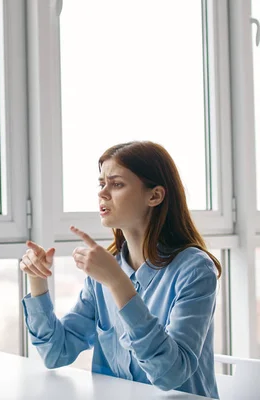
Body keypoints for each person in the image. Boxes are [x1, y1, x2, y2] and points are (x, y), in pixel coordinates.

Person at [20, 141, 220, 398]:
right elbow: (56, 353)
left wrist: (118, 284)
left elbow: (171, 375)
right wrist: (38, 281)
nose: (103, 193)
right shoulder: (106, 270)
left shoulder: (194, 270)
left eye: (116, 184)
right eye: (101, 184)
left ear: (155, 196)